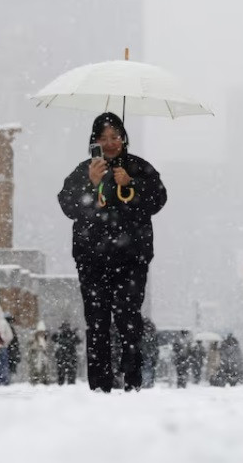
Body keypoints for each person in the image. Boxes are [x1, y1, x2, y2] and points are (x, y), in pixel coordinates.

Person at [58, 112, 167, 393]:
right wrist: (91, 185)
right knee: (97, 322)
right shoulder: (85, 170)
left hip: (131, 259)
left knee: (129, 319)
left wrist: (130, 184)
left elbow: (157, 200)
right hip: (91, 259)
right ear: (94, 141)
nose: (110, 143)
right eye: (103, 138)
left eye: (115, 137)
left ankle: (132, 380)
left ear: (124, 138)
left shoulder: (138, 168)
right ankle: (100, 384)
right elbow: (69, 206)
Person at [52, 321, 81, 385]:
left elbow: (78, 341)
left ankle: (69, 385)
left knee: (71, 375)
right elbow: (53, 338)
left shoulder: (71, 335)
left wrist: (73, 334)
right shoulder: (60, 335)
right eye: (64, 327)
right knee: (61, 374)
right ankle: (62, 384)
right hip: (62, 357)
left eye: (66, 327)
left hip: (70, 357)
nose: (65, 329)